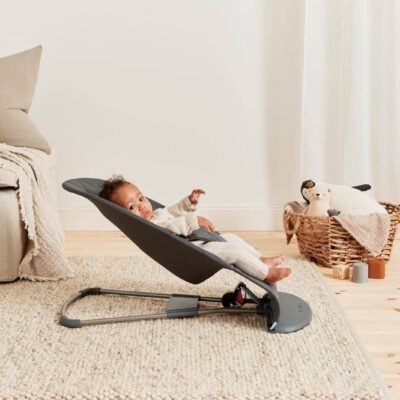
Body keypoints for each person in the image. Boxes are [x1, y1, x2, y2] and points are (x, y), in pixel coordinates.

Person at [99, 175, 292, 284]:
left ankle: (260, 259)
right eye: (132, 206)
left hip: (202, 241)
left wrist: (188, 203)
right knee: (232, 251)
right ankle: (265, 274)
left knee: (231, 238)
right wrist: (195, 220)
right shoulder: (150, 226)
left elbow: (172, 212)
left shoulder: (155, 214)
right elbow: (173, 227)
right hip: (194, 251)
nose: (141, 206)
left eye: (141, 198)